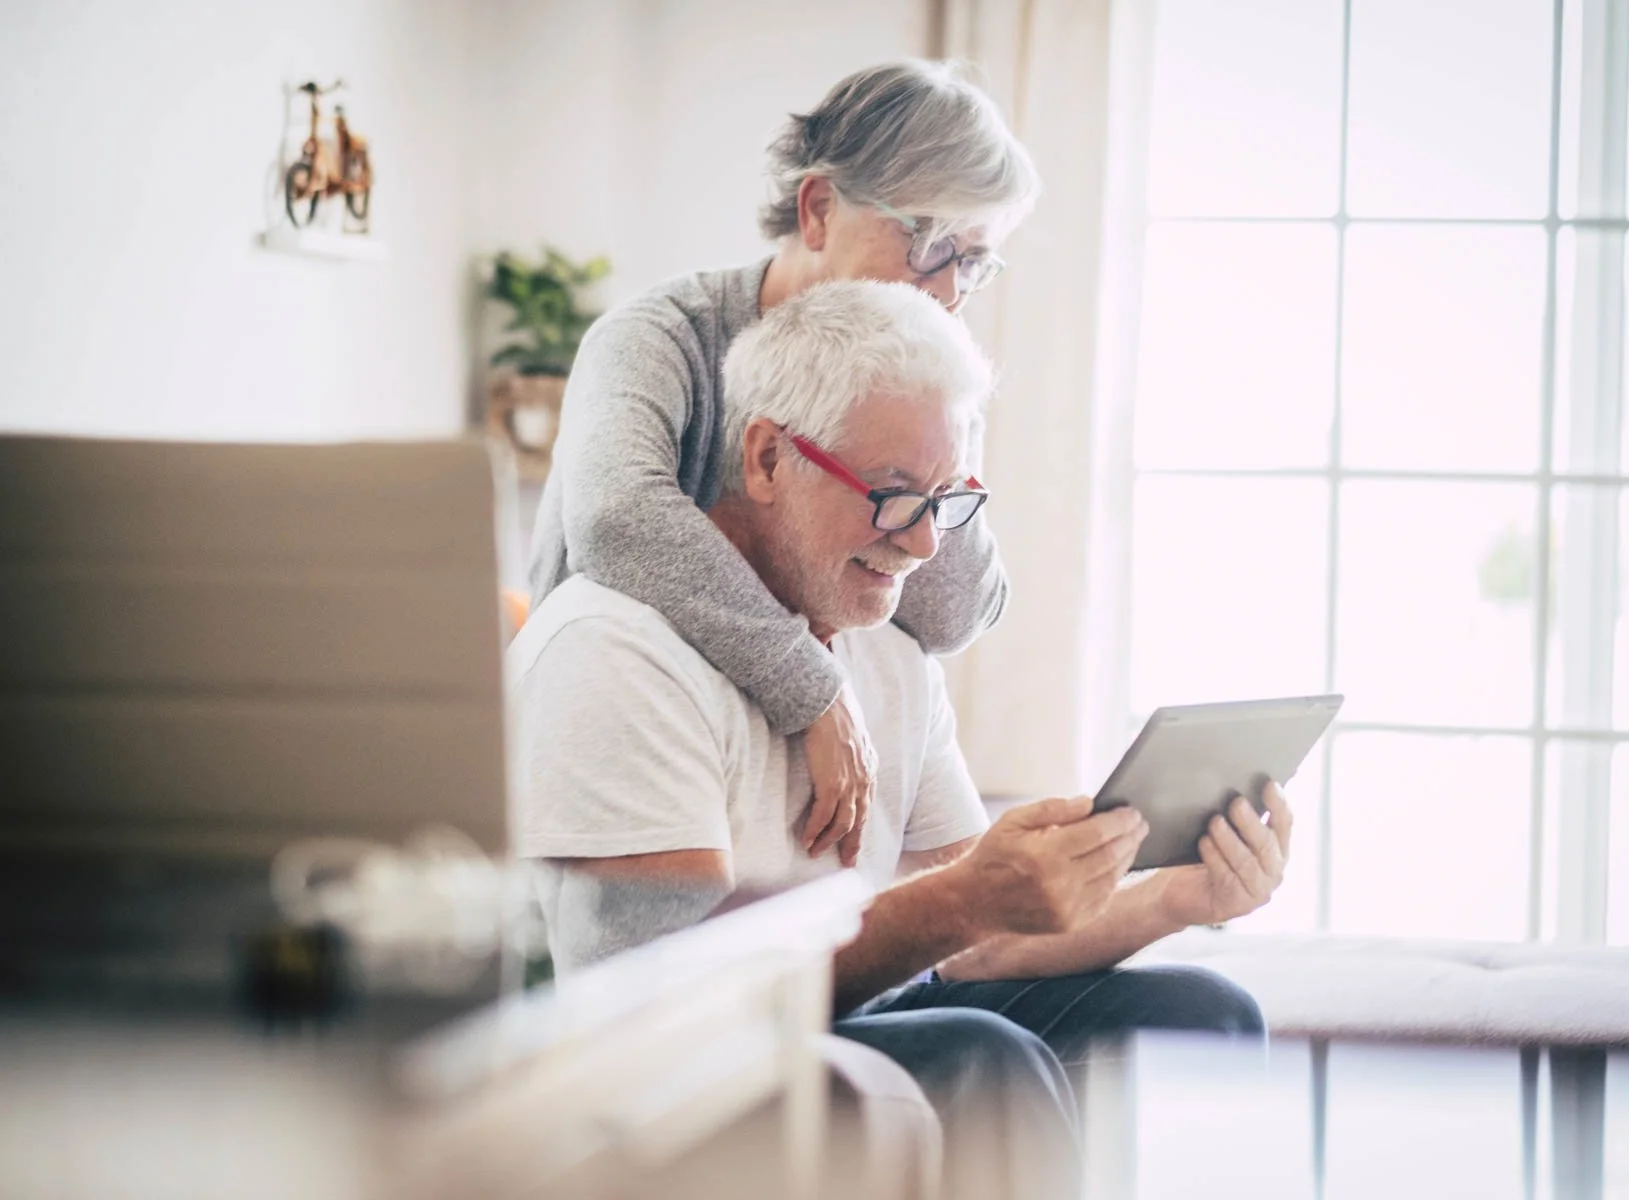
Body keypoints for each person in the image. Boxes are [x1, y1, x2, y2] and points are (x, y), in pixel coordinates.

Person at [510, 282, 1286, 1199]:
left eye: (946, 501)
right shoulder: (618, 650)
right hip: (654, 1089)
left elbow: (978, 943)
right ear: (766, 458)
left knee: (1204, 1015)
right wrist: (961, 901)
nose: (922, 546)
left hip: (829, 1019)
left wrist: (1176, 899)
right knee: (976, 1055)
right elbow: (668, 1010)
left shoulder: (887, 648)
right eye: (890, 496)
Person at [528, 60, 1038, 869]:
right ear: (818, 209)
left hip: (785, 807)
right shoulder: (658, 339)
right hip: (625, 766)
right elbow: (615, 517)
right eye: (930, 242)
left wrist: (932, 439)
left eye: (973, 260)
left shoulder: (922, 367)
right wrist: (814, 686)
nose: (948, 290)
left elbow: (953, 614)